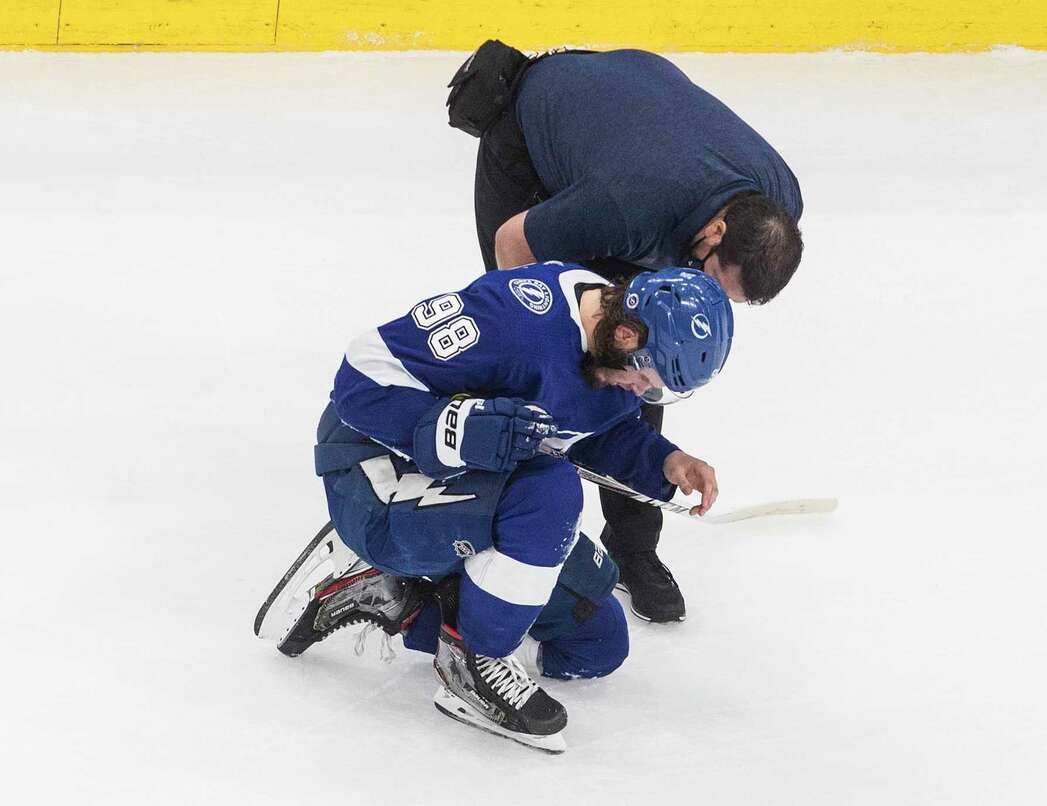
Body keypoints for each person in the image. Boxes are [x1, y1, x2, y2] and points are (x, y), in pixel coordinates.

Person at [255, 262, 733, 753]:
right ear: (627, 335)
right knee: (553, 494)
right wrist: (455, 428)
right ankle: (473, 661)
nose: (642, 393)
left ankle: (394, 597)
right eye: (646, 380)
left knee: (597, 641)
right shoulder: (512, 321)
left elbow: (593, 421)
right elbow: (360, 376)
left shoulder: (609, 351)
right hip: (375, 470)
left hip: (477, 486)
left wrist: (665, 459)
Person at [452, 45, 803, 622]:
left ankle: (632, 547)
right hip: (532, 134)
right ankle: (486, 517)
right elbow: (515, 241)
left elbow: (648, 359)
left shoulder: (776, 206)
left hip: (634, 124)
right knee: (531, 350)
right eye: (711, 280)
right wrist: (536, 342)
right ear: (715, 231)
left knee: (641, 356)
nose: (708, 299)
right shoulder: (628, 205)